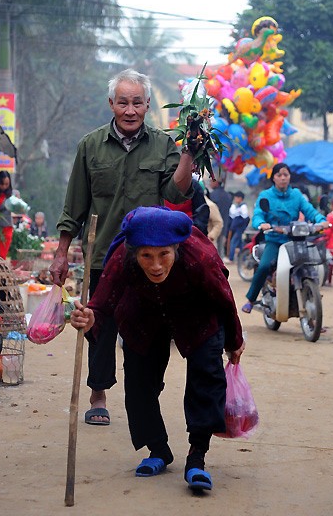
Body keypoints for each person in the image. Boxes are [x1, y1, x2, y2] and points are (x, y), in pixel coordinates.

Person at [50, 68, 195, 425]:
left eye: (137, 103)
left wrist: (190, 154)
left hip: (149, 257)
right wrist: (61, 251)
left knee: (149, 325)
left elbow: (176, 193)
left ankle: (146, 388)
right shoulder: (90, 146)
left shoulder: (163, 144)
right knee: (99, 325)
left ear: (147, 104)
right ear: (111, 104)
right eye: (122, 103)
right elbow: (75, 205)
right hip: (102, 253)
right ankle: (98, 393)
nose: (130, 111)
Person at [70, 206, 245, 492]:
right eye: (146, 256)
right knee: (139, 384)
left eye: (164, 254)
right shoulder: (121, 257)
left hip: (197, 314)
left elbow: (224, 298)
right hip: (141, 315)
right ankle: (158, 450)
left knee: (207, 378)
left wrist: (234, 341)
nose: (155, 265)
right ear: (134, 252)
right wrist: (90, 318)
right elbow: (101, 303)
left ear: (176, 249)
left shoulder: (198, 257)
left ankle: (197, 458)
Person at [242, 163, 327, 313]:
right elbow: (258, 215)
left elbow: (310, 212)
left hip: (295, 240)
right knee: (264, 266)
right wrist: (262, 224)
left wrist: (321, 221)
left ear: (289, 177)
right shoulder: (266, 196)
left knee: (309, 264)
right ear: (273, 178)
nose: (283, 178)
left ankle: (311, 299)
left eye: (285, 175)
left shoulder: (296, 195)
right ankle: (251, 299)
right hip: (275, 240)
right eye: (279, 175)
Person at [208, 177, 232, 258]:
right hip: (224, 224)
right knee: (220, 248)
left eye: (211, 181)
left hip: (213, 226)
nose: (210, 183)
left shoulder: (212, 195)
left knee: (212, 248)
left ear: (217, 183)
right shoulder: (228, 196)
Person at [227, 191, 250, 262]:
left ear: (240, 198)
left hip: (239, 228)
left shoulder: (243, 207)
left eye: (236, 198)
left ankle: (231, 258)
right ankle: (243, 258)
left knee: (233, 242)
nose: (235, 199)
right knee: (240, 244)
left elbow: (245, 217)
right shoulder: (236, 206)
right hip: (236, 228)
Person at [324, 197, 333, 284]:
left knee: (330, 262)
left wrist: (324, 239)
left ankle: (329, 280)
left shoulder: (331, 216)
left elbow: (327, 231)